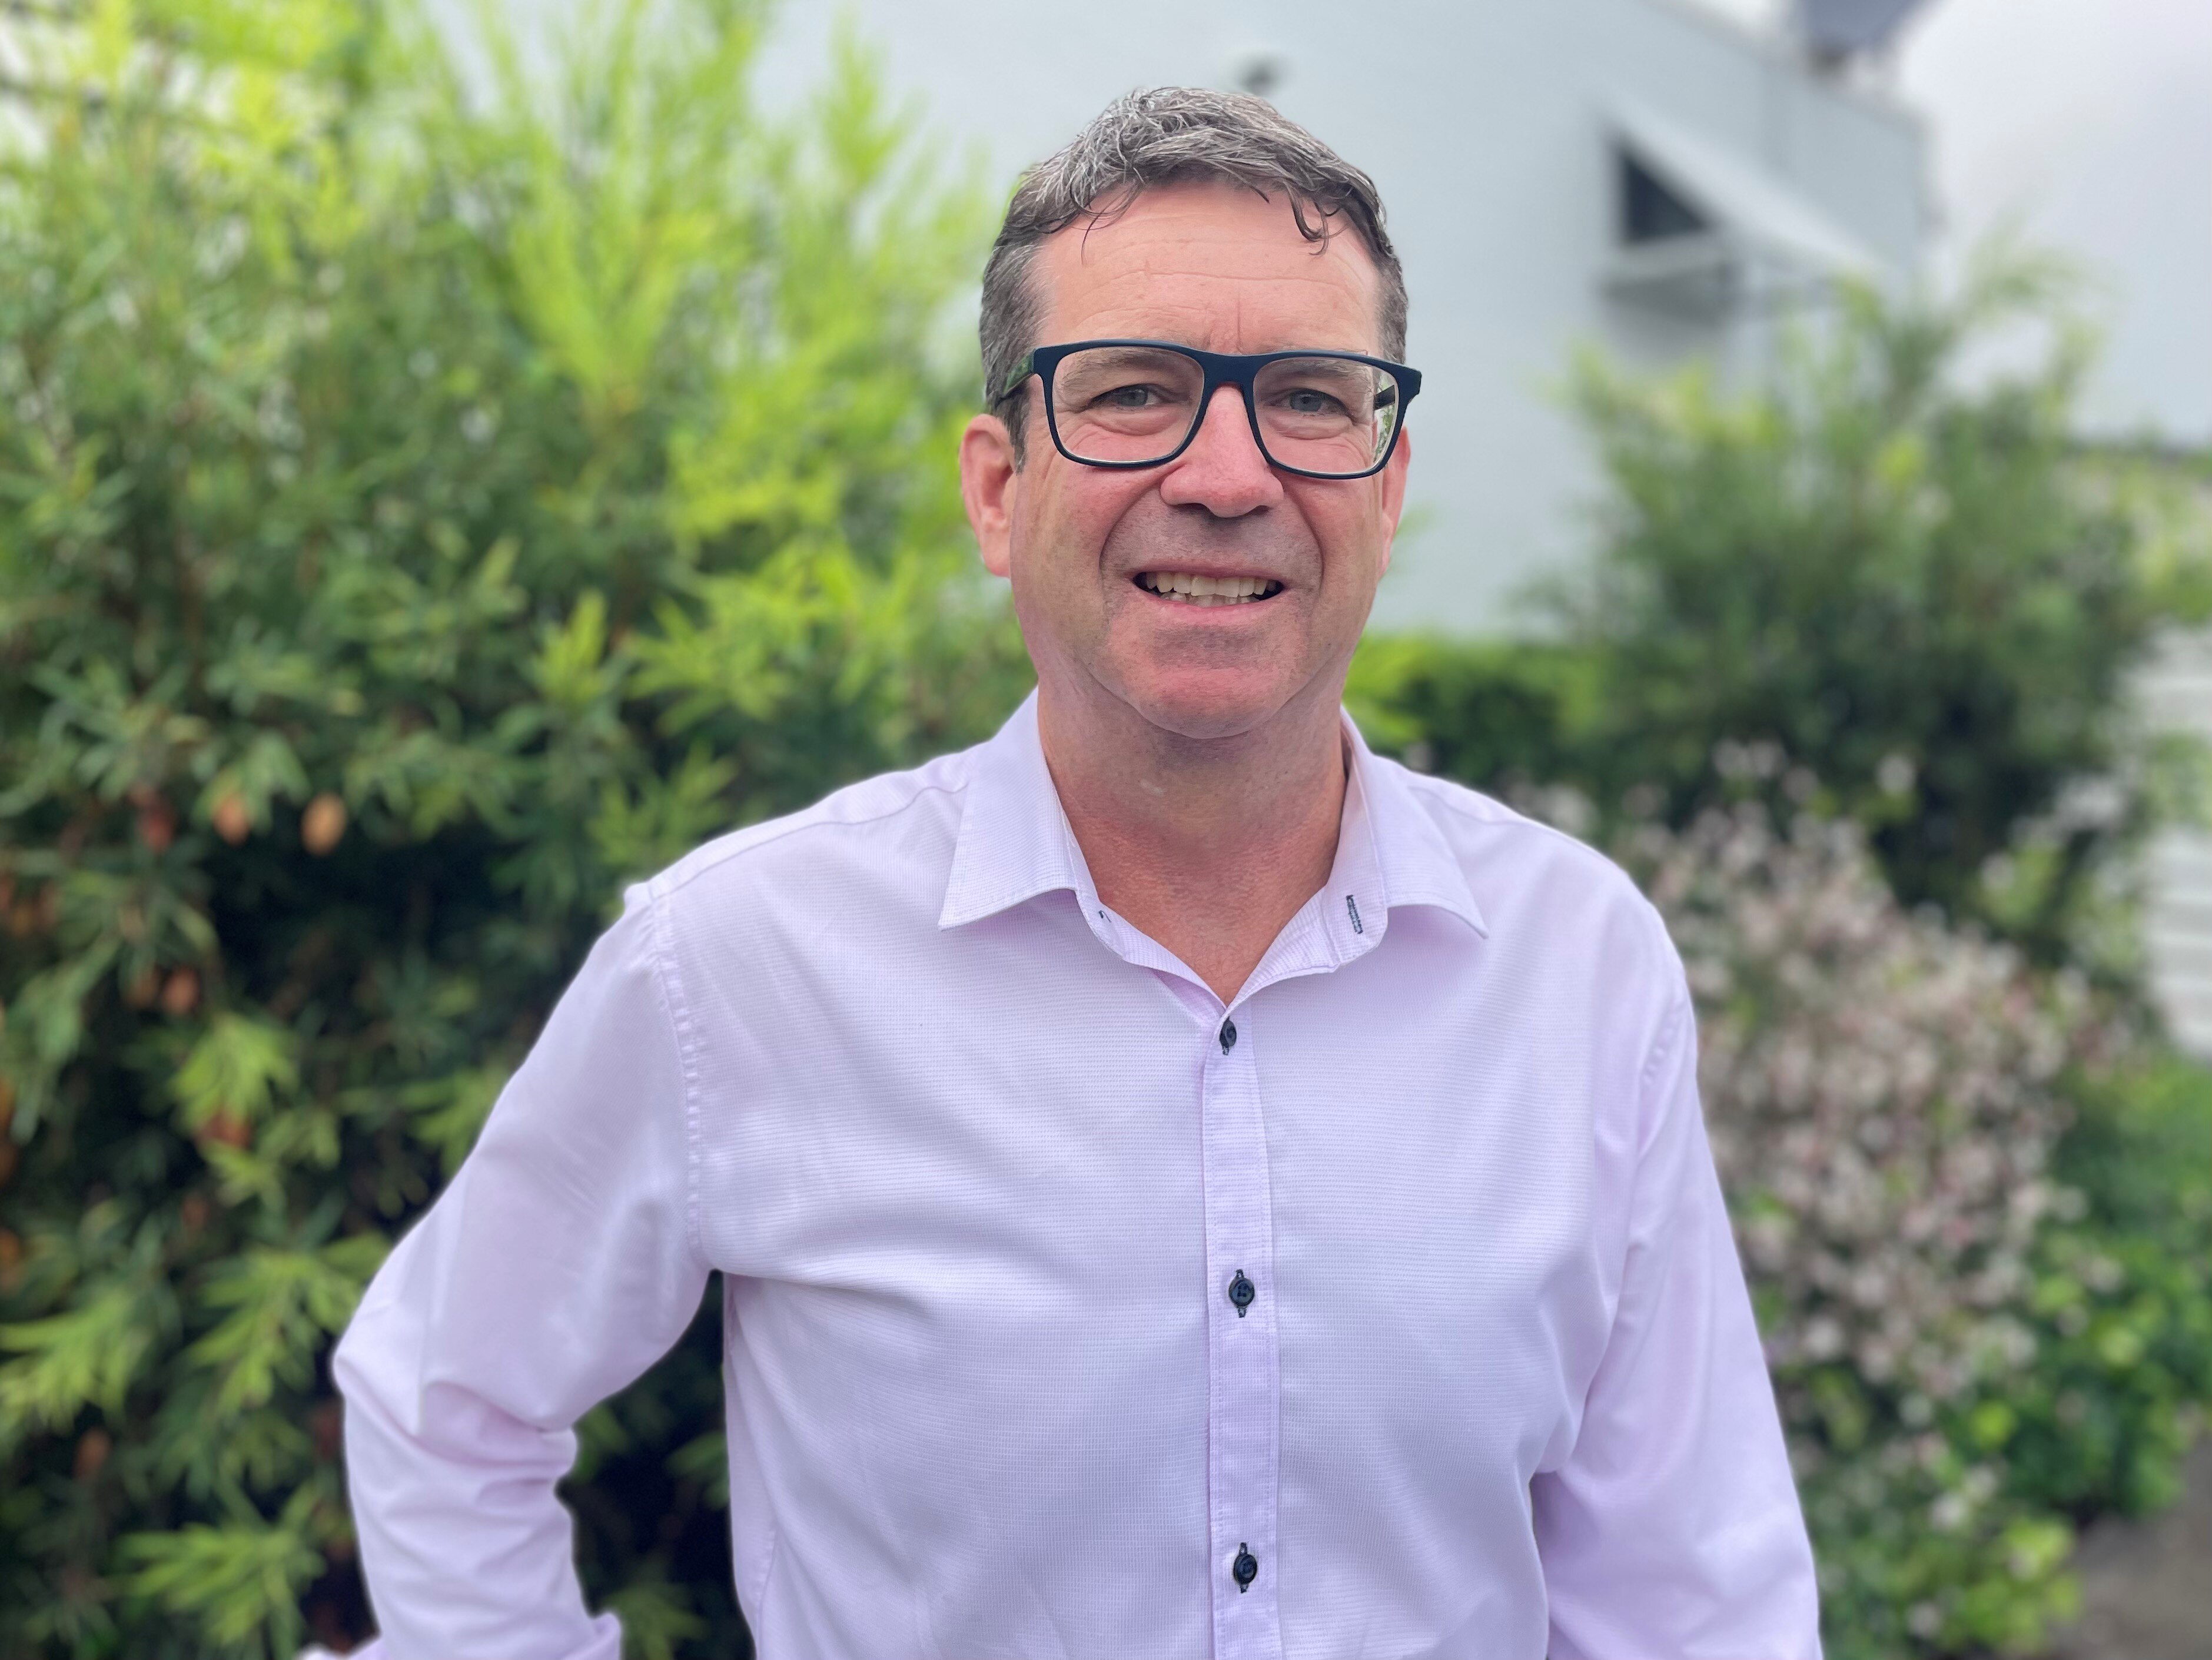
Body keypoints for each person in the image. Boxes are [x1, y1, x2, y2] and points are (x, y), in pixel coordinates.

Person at [334, 87, 1821, 1660]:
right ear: (997, 489)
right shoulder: (741, 959)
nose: (1230, 473)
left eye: (1312, 399)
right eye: (1134, 392)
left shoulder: (1578, 966)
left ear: (1387, 490)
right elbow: (444, 1401)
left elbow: (1692, 1599)